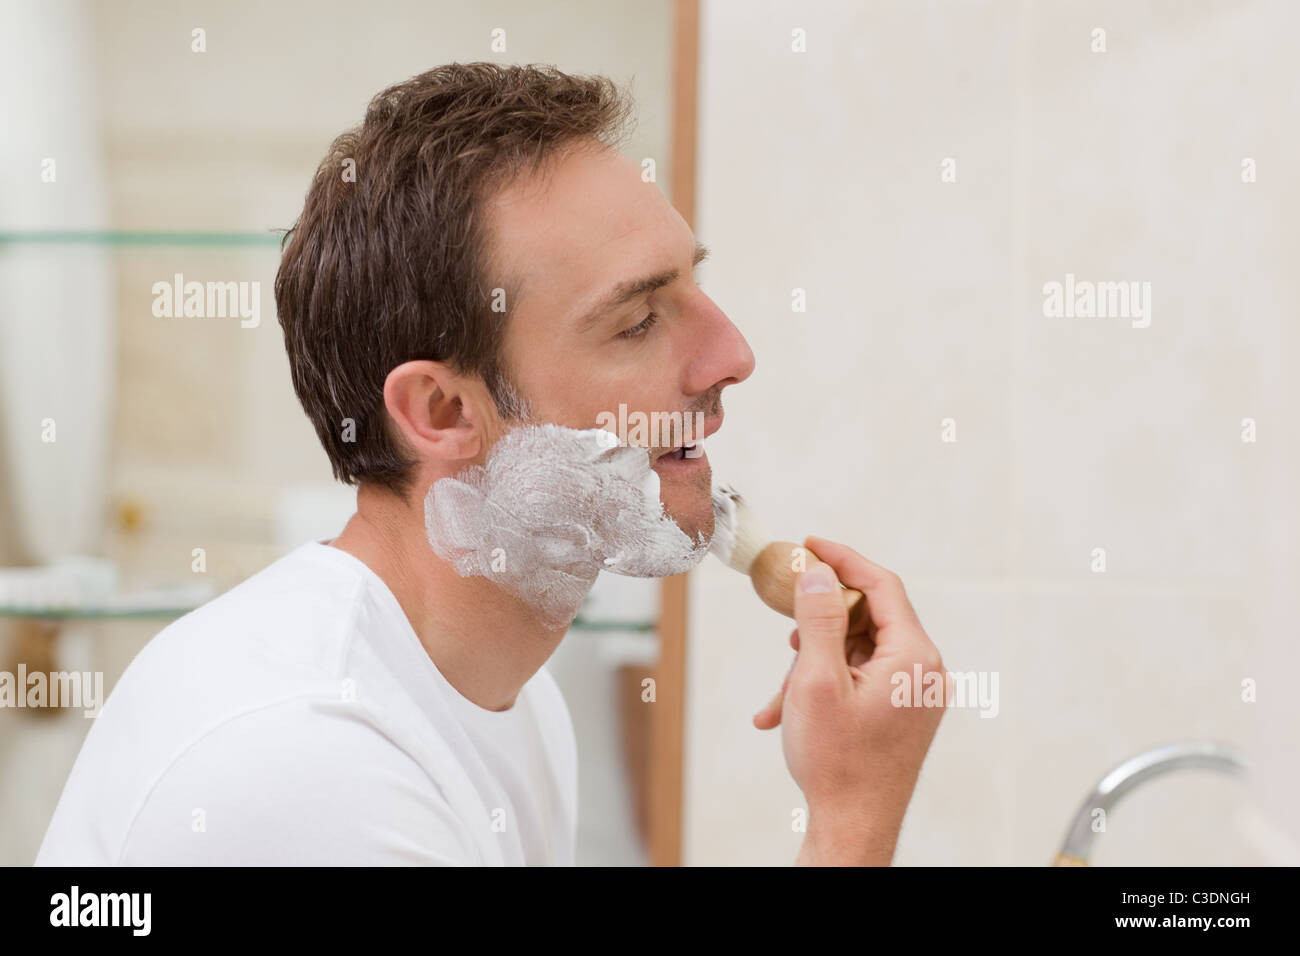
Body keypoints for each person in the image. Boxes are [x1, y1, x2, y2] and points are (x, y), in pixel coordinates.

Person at [36, 63, 946, 866]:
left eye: (693, 288)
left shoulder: (511, 699)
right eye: (636, 320)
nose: (732, 354)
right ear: (442, 413)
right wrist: (851, 817)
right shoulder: (305, 759)